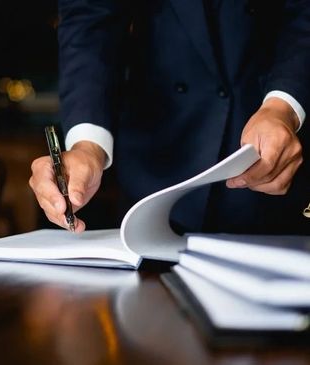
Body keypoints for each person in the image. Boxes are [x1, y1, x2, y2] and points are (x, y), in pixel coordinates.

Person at [29, 0, 310, 235]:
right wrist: (87, 146)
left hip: (278, 155)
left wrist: (282, 106)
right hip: (157, 167)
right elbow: (89, 19)